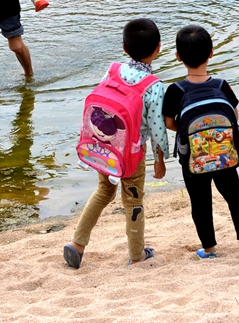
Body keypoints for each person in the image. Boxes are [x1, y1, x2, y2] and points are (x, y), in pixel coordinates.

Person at [63, 18, 169, 268]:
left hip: (104, 149)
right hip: (132, 156)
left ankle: (77, 244)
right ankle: (136, 255)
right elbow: (157, 129)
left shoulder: (112, 71)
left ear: (124, 48)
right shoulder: (153, 87)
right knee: (133, 202)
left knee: (103, 191)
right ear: (158, 48)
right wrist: (160, 159)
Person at [162, 25, 239, 259]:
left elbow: (168, 123)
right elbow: (234, 116)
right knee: (235, 195)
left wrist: (187, 131)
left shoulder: (175, 90)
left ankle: (209, 249)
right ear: (211, 53)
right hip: (225, 155)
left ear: (178, 57)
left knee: (200, 202)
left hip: (194, 159)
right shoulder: (221, 85)